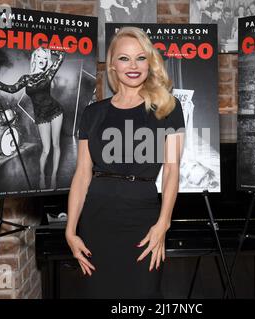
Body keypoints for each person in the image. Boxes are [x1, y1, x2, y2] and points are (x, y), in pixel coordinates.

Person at [66, 27, 185, 298]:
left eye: (140, 58)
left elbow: (171, 169)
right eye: (124, 58)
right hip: (97, 221)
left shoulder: (168, 107)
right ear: (112, 65)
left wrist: (163, 224)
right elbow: (82, 174)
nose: (133, 66)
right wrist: (70, 232)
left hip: (143, 220)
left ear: (149, 63)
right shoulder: (92, 113)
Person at [0, 47, 65, 190]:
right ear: (35, 59)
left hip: (55, 111)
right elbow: (12, 88)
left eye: (44, 58)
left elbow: (61, 56)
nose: (42, 60)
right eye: (39, 57)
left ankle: (53, 177)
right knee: (46, 149)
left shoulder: (48, 74)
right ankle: (41, 175)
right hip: (41, 115)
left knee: (56, 145)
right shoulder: (26, 79)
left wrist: (49, 50)